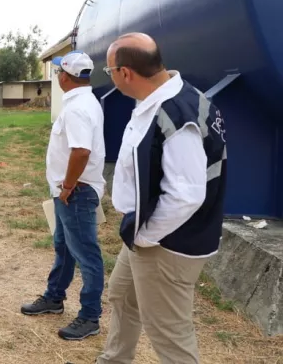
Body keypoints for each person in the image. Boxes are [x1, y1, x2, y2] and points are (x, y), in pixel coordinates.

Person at [96, 33, 227, 364]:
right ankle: (114, 359)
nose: (108, 75)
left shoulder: (175, 114)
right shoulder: (164, 97)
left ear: (125, 73)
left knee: (169, 333)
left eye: (109, 69)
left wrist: (145, 235)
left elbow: (186, 195)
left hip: (166, 242)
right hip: (145, 229)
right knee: (123, 296)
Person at [21, 50, 106, 341]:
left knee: (86, 253)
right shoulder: (81, 102)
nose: (57, 75)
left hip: (76, 192)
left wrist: (68, 186)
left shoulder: (77, 108)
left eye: (59, 71)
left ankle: (90, 316)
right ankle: (54, 297)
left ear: (65, 77)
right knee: (64, 246)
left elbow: (81, 151)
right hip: (69, 191)